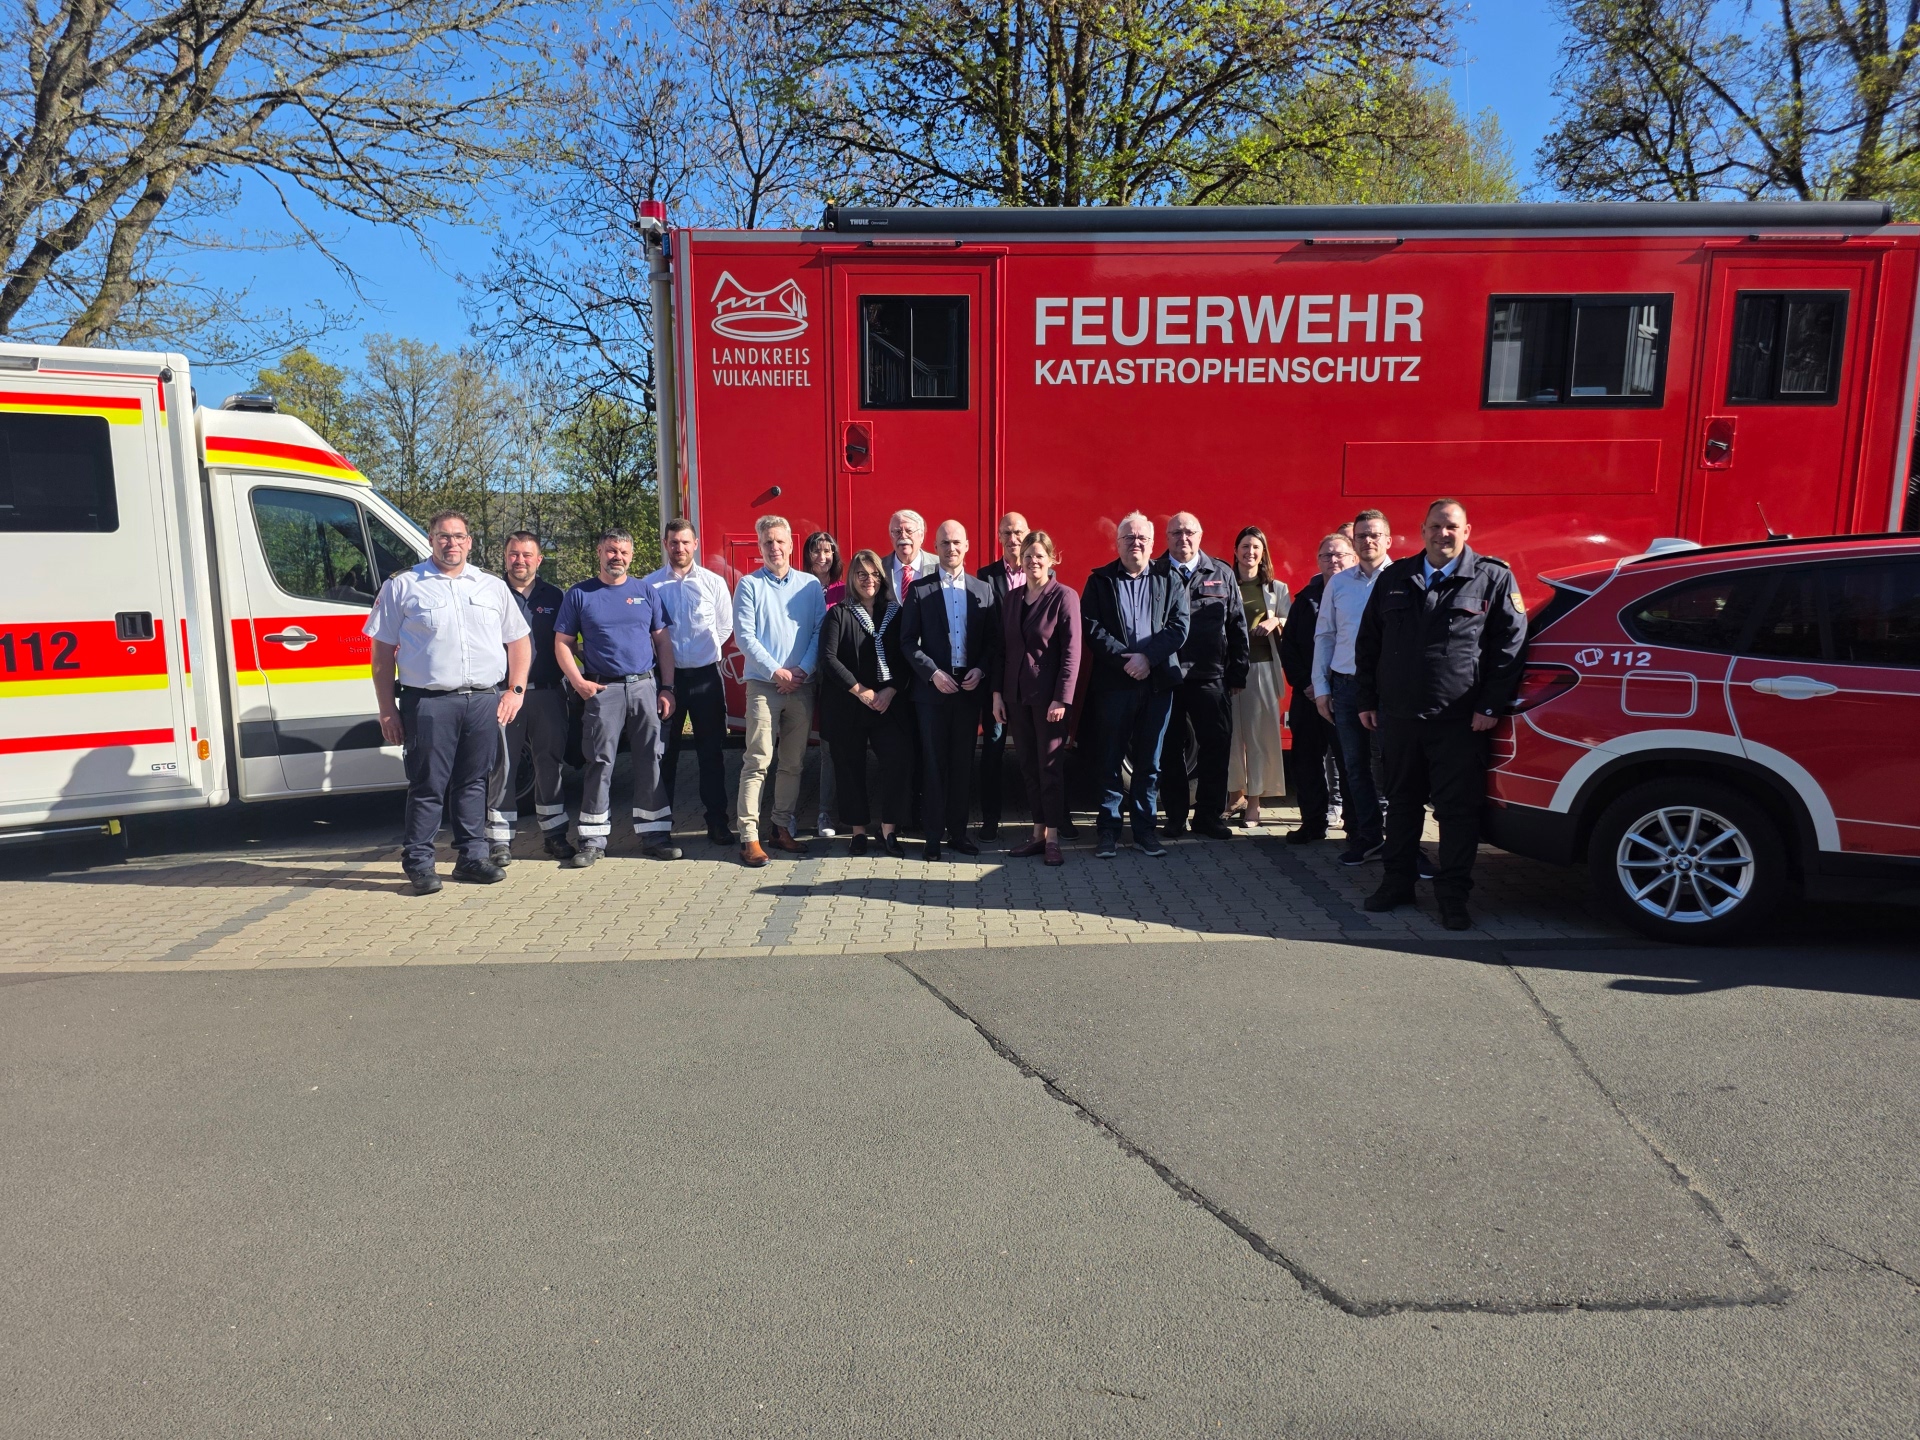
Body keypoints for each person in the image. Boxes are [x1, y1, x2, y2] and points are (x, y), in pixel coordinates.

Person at [1355, 499, 1527, 930]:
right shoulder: (1395, 577)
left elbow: (1510, 647)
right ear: (1422, 530)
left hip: (1460, 721)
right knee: (1402, 805)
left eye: (1451, 527)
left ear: (1466, 531)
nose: (1442, 534)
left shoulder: (1492, 577)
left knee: (1456, 812)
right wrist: (1366, 699)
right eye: (1435, 526)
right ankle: (1397, 883)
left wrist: (1490, 705)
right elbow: (1369, 641)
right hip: (1399, 717)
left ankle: (1452, 897)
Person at [365, 509, 531, 895]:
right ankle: (420, 863)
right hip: (429, 703)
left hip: (483, 700)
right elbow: (382, 653)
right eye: (443, 536)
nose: (451, 543)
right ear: (431, 540)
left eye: (458, 536)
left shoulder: (491, 586)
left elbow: (519, 641)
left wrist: (516, 690)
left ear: (469, 542)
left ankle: (472, 858)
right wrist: (387, 709)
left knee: (474, 782)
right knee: (427, 785)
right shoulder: (403, 585)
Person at [553, 529, 679, 868]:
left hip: (644, 687)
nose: (617, 557)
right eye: (611, 550)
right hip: (603, 690)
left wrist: (667, 687)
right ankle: (592, 841)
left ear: (631, 555)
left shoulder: (645, 592)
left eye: (623, 552)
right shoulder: (580, 594)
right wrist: (578, 681)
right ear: (599, 552)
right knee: (600, 762)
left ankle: (655, 835)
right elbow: (562, 643)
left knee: (651, 759)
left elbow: (663, 642)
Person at [1082, 511, 1190, 859]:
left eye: (1142, 537)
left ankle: (1145, 831)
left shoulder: (1170, 578)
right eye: (1129, 537)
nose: (1136, 543)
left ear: (1153, 543)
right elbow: (1092, 627)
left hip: (1157, 683)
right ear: (1117, 544)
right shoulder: (1100, 581)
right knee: (1109, 759)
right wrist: (1126, 661)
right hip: (1114, 683)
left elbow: (1179, 626)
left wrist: (1147, 659)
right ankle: (1108, 831)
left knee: (1149, 762)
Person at [900, 519, 1000, 860]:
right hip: (932, 693)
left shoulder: (983, 590)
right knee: (933, 764)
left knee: (962, 765)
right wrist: (932, 673)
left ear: (967, 546)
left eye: (957, 542)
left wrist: (980, 669)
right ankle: (932, 836)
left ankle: (958, 834)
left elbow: (993, 642)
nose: (951, 548)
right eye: (945, 543)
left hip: (968, 690)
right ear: (935, 547)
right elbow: (907, 642)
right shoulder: (920, 590)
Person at [733, 514, 826, 867]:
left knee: (792, 763)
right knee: (757, 761)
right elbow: (745, 636)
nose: (774, 547)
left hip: (802, 685)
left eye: (780, 541)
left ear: (791, 545)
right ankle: (749, 837)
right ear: (760, 547)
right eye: (767, 542)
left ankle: (781, 828)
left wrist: (802, 669)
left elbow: (819, 631)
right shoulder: (749, 585)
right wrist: (776, 672)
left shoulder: (809, 586)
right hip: (763, 686)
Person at [645, 518, 737, 847]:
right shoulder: (650, 585)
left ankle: (717, 822)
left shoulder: (713, 583)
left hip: (705, 679)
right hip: (666, 682)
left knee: (711, 754)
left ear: (695, 544)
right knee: (664, 755)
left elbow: (725, 626)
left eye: (685, 542)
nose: (679, 548)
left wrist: (701, 652)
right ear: (665, 544)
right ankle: (660, 826)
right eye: (673, 542)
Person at [1156, 512, 1248, 839]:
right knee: (1169, 751)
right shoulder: (1154, 572)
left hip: (1211, 677)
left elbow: (1237, 625)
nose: (1184, 538)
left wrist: (1238, 673)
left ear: (1200, 535)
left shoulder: (1221, 573)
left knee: (1216, 748)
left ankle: (1209, 817)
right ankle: (1175, 817)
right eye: (1176, 532)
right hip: (1166, 677)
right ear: (1167, 537)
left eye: (1190, 532)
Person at [992, 530, 1080, 866]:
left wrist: (1062, 699)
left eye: (1039, 556)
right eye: (1027, 556)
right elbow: (1002, 651)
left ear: (1052, 558)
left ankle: (1054, 838)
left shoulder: (1064, 596)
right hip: (1016, 698)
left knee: (1050, 769)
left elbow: (1072, 653)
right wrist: (998, 694)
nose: (1032, 561)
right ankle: (1038, 834)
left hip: (1049, 701)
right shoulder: (1012, 598)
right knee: (1028, 767)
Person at [817, 548, 912, 856]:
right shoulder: (839, 614)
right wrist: (861, 691)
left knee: (897, 762)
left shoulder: (896, 613)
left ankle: (888, 830)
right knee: (849, 768)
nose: (868, 580)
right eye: (861, 574)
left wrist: (890, 691)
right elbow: (828, 659)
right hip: (849, 705)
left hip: (888, 705)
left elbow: (906, 656)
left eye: (874, 574)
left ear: (881, 579)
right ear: (852, 579)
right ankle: (858, 832)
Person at [487, 530, 574, 864]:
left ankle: (554, 835)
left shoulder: (556, 596)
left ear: (539, 559)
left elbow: (569, 643)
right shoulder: (491, 593)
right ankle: (499, 840)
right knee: (503, 766)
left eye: (526, 555)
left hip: (548, 694)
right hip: (504, 695)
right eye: (513, 554)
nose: (519, 561)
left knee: (549, 765)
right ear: (505, 557)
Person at [1313, 508, 1393, 865]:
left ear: (1388, 539)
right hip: (1346, 686)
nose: (1368, 540)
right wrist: (1321, 687)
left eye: (1374, 534)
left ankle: (1400, 841)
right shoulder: (1339, 583)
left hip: (1389, 687)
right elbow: (1325, 635)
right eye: (1361, 535)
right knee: (1355, 767)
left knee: (1391, 767)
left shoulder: (1402, 579)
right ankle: (1369, 838)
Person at [1277, 532, 1355, 843]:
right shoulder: (1305, 600)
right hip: (1308, 697)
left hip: (1345, 696)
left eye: (1339, 555)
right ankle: (1313, 823)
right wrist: (1307, 684)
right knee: (1306, 763)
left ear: (1352, 559)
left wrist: (1335, 686)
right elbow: (1289, 647)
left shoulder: (1360, 596)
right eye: (1326, 555)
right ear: (1318, 561)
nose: (1333, 560)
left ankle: (1356, 828)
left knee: (1350, 764)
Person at [1224, 526, 1290, 828]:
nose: (1249, 552)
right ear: (1236, 551)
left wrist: (1275, 620)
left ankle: (1254, 803)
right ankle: (1234, 796)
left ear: (1263, 554)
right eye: (1245, 546)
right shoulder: (1226, 583)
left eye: (1256, 548)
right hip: (1229, 671)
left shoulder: (1277, 589)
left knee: (1258, 739)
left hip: (1262, 670)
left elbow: (1291, 622)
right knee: (1231, 737)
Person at [974, 511, 1029, 839]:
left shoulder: (1042, 572)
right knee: (993, 751)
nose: (1013, 539)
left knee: (1038, 752)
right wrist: (994, 686)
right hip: (998, 679)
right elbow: (988, 634)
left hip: (1032, 681)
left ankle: (1052, 818)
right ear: (999, 538)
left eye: (1018, 532)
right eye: (1007, 533)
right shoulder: (986, 576)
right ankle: (990, 819)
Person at [802, 530, 845, 837]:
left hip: (833, 679)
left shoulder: (845, 590)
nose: (822, 557)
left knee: (831, 749)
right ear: (807, 555)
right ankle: (785, 817)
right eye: (816, 551)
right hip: (803, 676)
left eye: (827, 551)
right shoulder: (797, 588)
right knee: (795, 748)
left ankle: (825, 814)